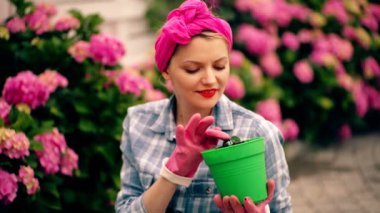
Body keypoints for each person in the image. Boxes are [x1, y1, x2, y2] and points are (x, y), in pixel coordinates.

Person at [115, 0, 292, 212]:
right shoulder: (138, 123)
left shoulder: (258, 133)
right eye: (192, 69)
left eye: (219, 66)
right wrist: (174, 172)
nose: (210, 79)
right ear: (166, 71)